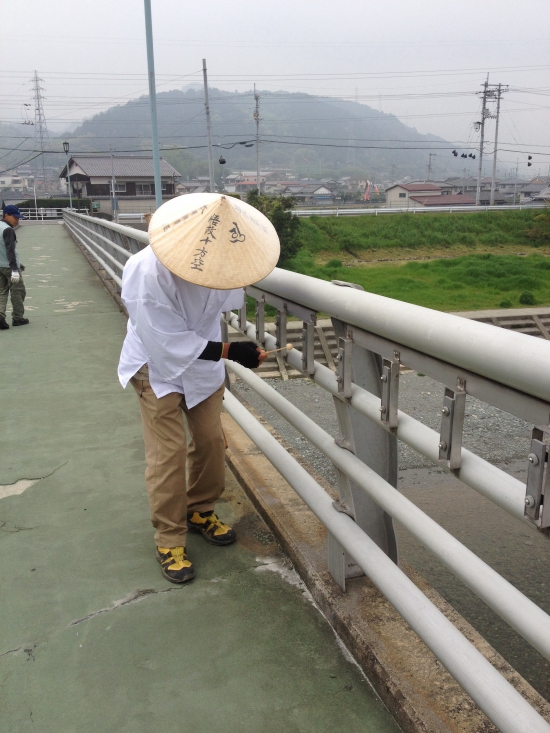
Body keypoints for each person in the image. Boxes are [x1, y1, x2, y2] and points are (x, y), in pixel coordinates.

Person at [118, 193, 280, 583]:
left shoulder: (223, 260)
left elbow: (219, 307)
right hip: (155, 368)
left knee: (210, 442)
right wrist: (231, 350)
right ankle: (168, 536)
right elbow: (165, 343)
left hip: (202, 368)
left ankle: (199, 509)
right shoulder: (146, 271)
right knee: (167, 455)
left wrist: (235, 350)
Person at [0, 205, 29, 330]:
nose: (17, 220)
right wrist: (15, 270)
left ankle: (0, 316)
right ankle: (18, 318)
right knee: (17, 291)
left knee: (2, 292)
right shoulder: (8, 230)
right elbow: (10, 250)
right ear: (6, 215)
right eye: (15, 217)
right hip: (9, 266)